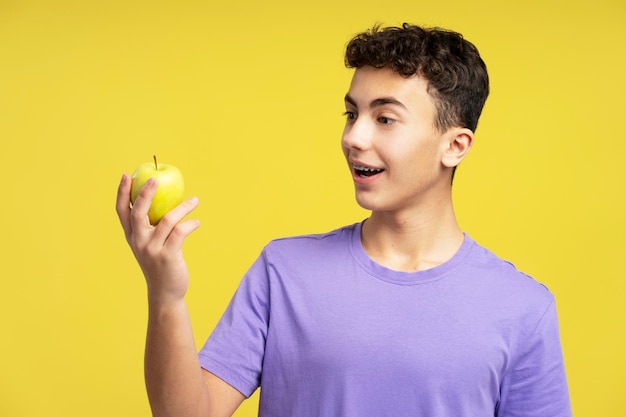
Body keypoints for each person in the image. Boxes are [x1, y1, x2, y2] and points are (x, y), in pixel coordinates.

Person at [116, 23, 572, 417]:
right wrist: (165, 293)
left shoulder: (522, 309)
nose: (354, 137)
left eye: (385, 118)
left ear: (455, 145)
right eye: (352, 114)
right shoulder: (284, 271)